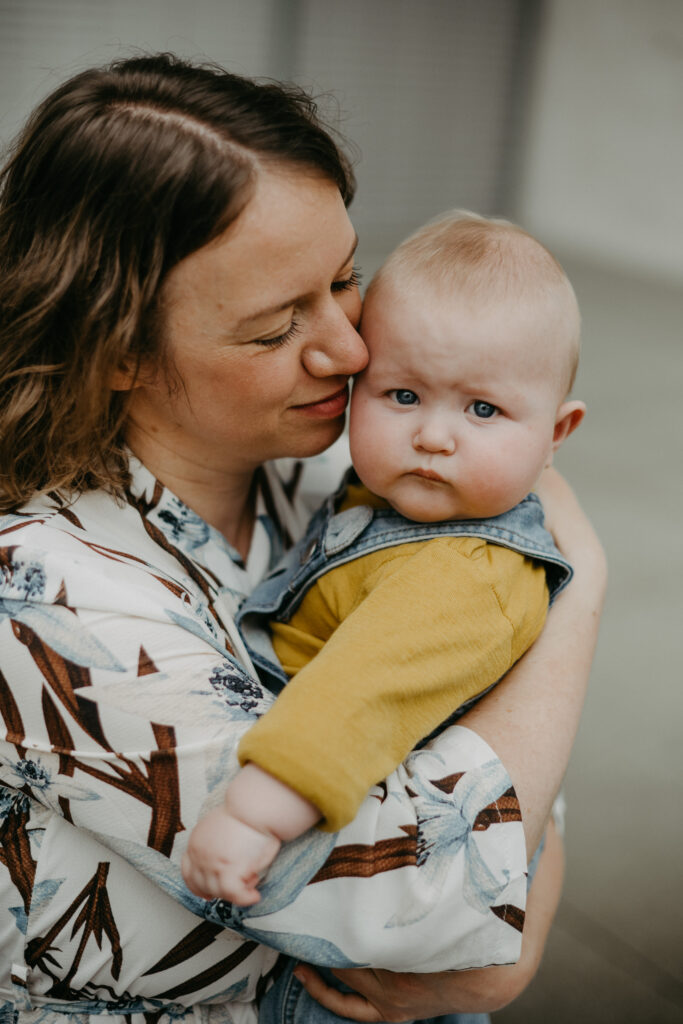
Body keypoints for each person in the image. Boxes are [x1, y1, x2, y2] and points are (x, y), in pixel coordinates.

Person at [0, 54, 606, 1024]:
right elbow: (425, 892)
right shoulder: (45, 598)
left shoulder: (332, 467)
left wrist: (511, 939)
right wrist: (572, 583)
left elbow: (510, 763)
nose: (354, 348)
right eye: (279, 324)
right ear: (118, 349)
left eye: (343, 278)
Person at [181, 211, 586, 906]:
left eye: (482, 410)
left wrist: (253, 813)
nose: (432, 435)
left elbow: (360, 698)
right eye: (401, 396)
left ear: (555, 434)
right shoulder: (388, 500)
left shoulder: (466, 575)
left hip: (329, 861)